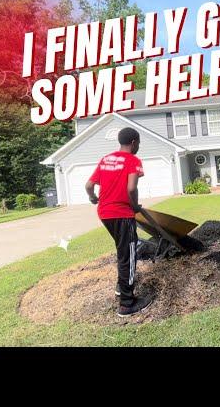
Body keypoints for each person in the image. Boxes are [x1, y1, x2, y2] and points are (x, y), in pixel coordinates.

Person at [85, 127, 153, 317]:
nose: (138, 146)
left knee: (123, 250)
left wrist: (93, 198)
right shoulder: (133, 160)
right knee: (128, 255)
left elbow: (89, 186)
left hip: (105, 213)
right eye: (138, 143)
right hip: (122, 213)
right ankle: (127, 303)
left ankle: (120, 288)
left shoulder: (106, 159)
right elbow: (131, 188)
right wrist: (135, 206)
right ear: (134, 142)